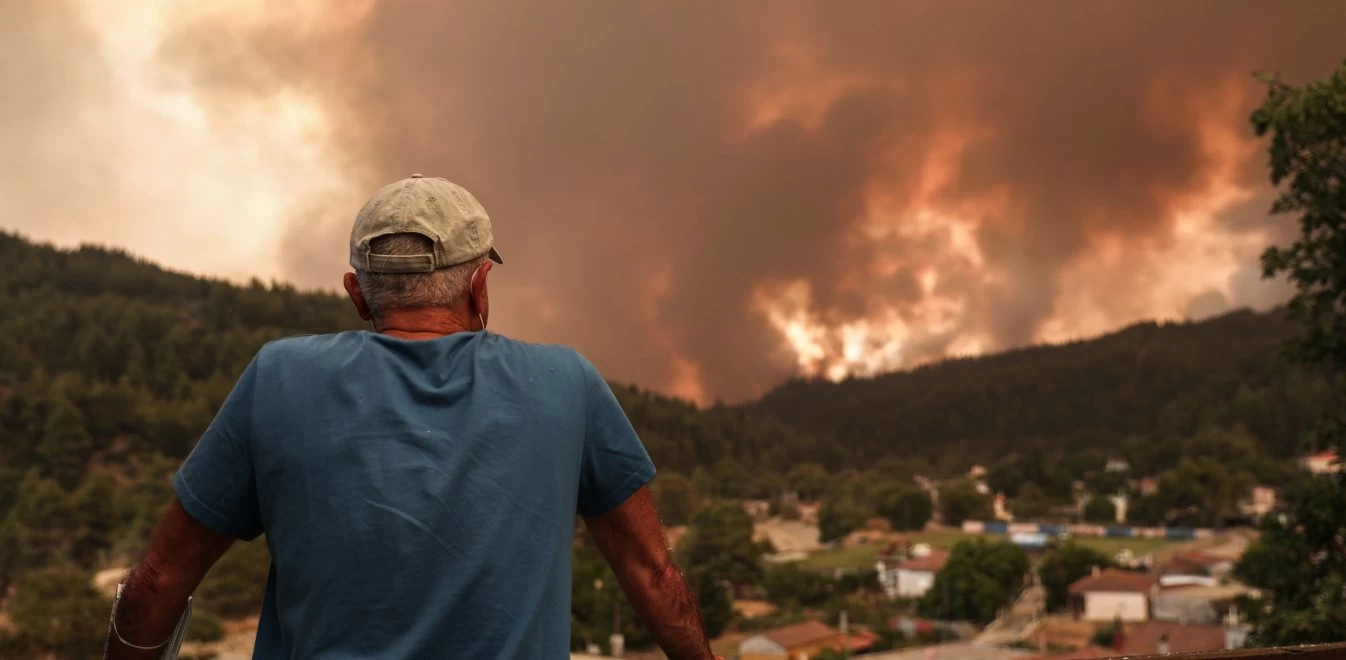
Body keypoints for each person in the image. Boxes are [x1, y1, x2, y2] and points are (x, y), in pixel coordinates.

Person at [105, 174, 720, 659]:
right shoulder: (565, 382)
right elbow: (653, 573)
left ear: (356, 293)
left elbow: (156, 584)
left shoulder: (279, 377)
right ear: (480, 287)